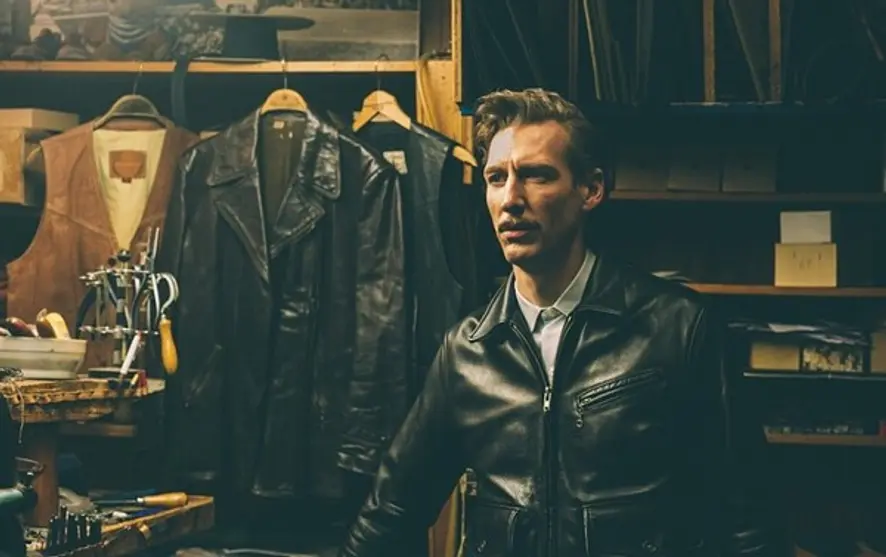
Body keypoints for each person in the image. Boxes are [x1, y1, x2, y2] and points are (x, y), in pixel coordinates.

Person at [339, 88, 785, 557]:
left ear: (590, 190)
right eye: (496, 178)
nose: (511, 199)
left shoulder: (677, 328)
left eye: (536, 175)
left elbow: (748, 520)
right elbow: (392, 511)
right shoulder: (469, 351)